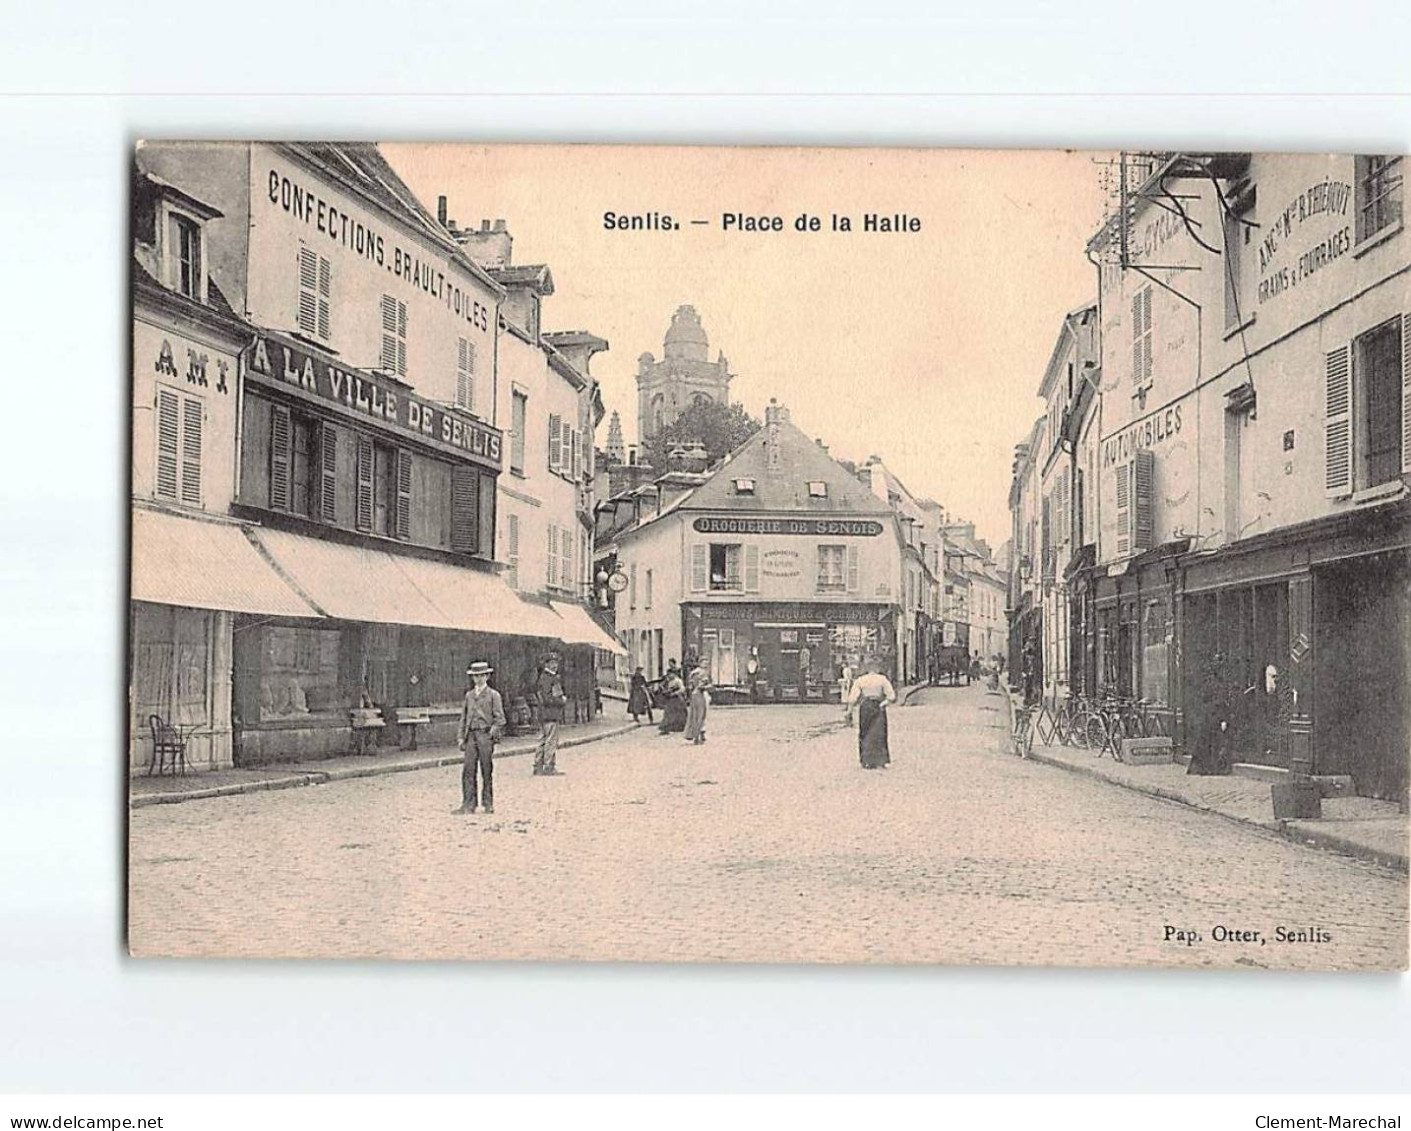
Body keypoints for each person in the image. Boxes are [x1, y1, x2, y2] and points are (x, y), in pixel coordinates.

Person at [456, 661, 505, 814]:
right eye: (476, 676)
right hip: (471, 736)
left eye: (482, 676)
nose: (479, 679)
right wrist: (460, 737)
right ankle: (468, 804)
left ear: (487, 676)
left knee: (486, 769)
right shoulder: (469, 695)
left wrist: (492, 732)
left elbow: (500, 719)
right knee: (468, 770)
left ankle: (488, 803)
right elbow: (463, 717)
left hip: (485, 735)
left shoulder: (493, 695)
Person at [847, 657, 896, 769]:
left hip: (865, 707)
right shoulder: (882, 679)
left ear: (867, 668)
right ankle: (880, 760)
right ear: (877, 668)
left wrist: (849, 711)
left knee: (865, 732)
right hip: (878, 706)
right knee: (879, 733)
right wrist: (883, 704)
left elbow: (853, 698)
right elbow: (891, 696)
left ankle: (866, 760)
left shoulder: (861, 680)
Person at [533, 653, 567, 776]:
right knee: (551, 740)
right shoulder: (549, 679)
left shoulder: (544, 677)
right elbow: (547, 698)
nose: (555, 665)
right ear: (546, 664)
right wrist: (561, 701)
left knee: (542, 739)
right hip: (550, 713)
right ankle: (549, 765)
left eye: (556, 663)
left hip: (544, 714)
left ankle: (538, 765)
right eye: (552, 663)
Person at [683, 659, 712, 744]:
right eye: (704, 663)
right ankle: (697, 737)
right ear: (700, 663)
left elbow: (690, 685)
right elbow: (701, 686)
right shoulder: (701, 673)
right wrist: (708, 686)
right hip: (700, 695)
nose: (706, 665)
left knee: (695, 715)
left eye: (707, 663)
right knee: (700, 716)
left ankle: (696, 735)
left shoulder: (693, 673)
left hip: (694, 695)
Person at [657, 660, 688, 734]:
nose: (669, 676)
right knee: (668, 713)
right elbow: (663, 685)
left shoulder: (678, 681)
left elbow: (682, 688)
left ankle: (679, 727)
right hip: (670, 699)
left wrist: (676, 693)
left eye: (671, 675)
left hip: (677, 699)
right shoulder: (668, 681)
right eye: (668, 675)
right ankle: (666, 728)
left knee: (679, 713)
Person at [839, 660, 855, 725]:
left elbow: (846, 678)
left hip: (846, 682)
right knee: (847, 694)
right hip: (849, 682)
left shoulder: (845, 670)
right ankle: (847, 706)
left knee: (845, 695)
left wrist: (843, 682)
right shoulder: (849, 669)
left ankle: (846, 706)